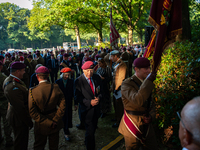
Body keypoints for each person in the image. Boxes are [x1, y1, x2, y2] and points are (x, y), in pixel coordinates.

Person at [118, 57, 158, 150]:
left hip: (146, 124)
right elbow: (137, 100)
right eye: (145, 68)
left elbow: (152, 103)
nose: (148, 71)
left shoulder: (147, 82)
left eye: (149, 68)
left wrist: (151, 116)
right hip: (132, 123)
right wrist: (148, 81)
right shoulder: (127, 84)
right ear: (136, 69)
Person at [28, 66, 65, 150]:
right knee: (54, 146)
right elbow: (62, 106)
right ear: (48, 75)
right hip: (54, 122)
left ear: (37, 76)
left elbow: (32, 112)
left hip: (41, 124)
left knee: (39, 146)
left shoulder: (32, 91)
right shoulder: (56, 87)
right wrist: (55, 120)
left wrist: (48, 123)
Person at [3, 61, 33, 150]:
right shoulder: (13, 86)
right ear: (17, 71)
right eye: (23, 70)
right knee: (21, 141)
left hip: (17, 115)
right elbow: (20, 108)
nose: (24, 72)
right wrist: (28, 121)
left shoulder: (12, 80)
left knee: (21, 139)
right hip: (18, 118)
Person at [74, 61, 102, 150]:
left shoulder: (97, 77)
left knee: (92, 130)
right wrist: (89, 102)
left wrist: (99, 98)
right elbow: (77, 97)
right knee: (90, 132)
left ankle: (88, 141)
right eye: (87, 71)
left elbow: (102, 91)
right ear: (83, 70)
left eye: (91, 70)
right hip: (86, 111)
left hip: (96, 110)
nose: (89, 73)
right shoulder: (78, 81)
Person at [55, 67, 76, 141]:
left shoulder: (71, 81)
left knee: (68, 115)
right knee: (63, 115)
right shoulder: (57, 82)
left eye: (68, 75)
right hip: (61, 102)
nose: (67, 77)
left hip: (69, 101)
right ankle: (65, 130)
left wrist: (75, 103)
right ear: (62, 74)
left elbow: (74, 93)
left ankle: (66, 128)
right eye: (65, 75)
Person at [110, 50, 127, 128]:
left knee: (119, 105)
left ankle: (119, 121)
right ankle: (117, 117)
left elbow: (121, 78)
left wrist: (116, 88)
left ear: (116, 56)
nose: (111, 58)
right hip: (115, 87)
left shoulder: (122, 65)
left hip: (119, 88)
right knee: (115, 104)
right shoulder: (116, 64)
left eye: (112, 56)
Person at [0, 61, 13, 147]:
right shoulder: (2, 77)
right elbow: (7, 89)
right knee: (6, 121)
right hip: (3, 101)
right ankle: (8, 139)